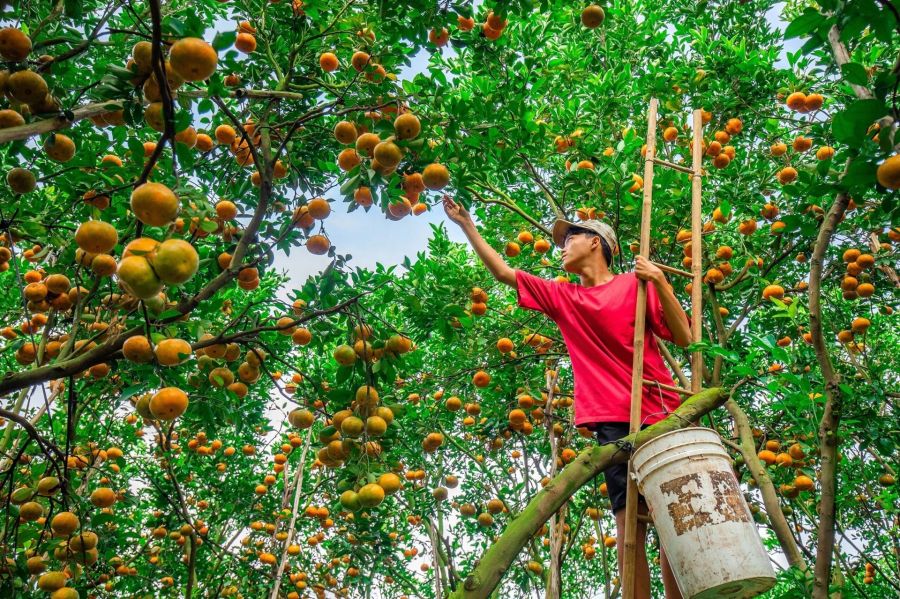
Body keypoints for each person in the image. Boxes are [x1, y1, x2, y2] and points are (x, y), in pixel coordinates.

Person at [443, 195, 692, 599]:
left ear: (596, 242)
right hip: (612, 420)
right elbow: (505, 272)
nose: (562, 245)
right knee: (629, 525)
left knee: (671, 519)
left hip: (660, 409)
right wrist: (467, 226)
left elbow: (684, 338)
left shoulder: (635, 286)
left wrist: (660, 281)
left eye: (569, 238)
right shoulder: (566, 298)